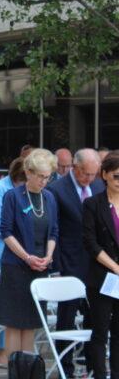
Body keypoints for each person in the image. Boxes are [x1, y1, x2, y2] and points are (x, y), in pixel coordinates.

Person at [0, 148, 58, 357]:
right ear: (28, 172)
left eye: (47, 177)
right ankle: (15, 369)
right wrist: (27, 257)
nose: (43, 181)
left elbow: (54, 232)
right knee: (14, 322)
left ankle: (28, 370)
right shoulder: (12, 196)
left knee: (31, 322)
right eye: (40, 176)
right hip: (16, 267)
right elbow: (5, 232)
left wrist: (48, 256)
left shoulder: (49, 197)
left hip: (40, 266)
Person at [48, 148, 104, 376]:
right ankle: (66, 367)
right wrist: (57, 267)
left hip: (96, 262)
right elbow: (55, 231)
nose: (90, 179)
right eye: (86, 174)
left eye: (94, 174)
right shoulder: (56, 190)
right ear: (75, 168)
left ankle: (93, 364)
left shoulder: (99, 186)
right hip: (69, 262)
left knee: (97, 317)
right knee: (67, 317)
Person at [0, 157, 26, 364]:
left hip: (24, 255)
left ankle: (17, 348)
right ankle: (0, 349)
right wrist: (24, 236)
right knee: (1, 302)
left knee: (19, 302)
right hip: (1, 253)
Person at [83, 153, 119, 379]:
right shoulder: (92, 204)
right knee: (100, 332)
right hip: (102, 277)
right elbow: (90, 242)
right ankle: (99, 374)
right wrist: (115, 267)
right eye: (116, 176)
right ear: (104, 175)